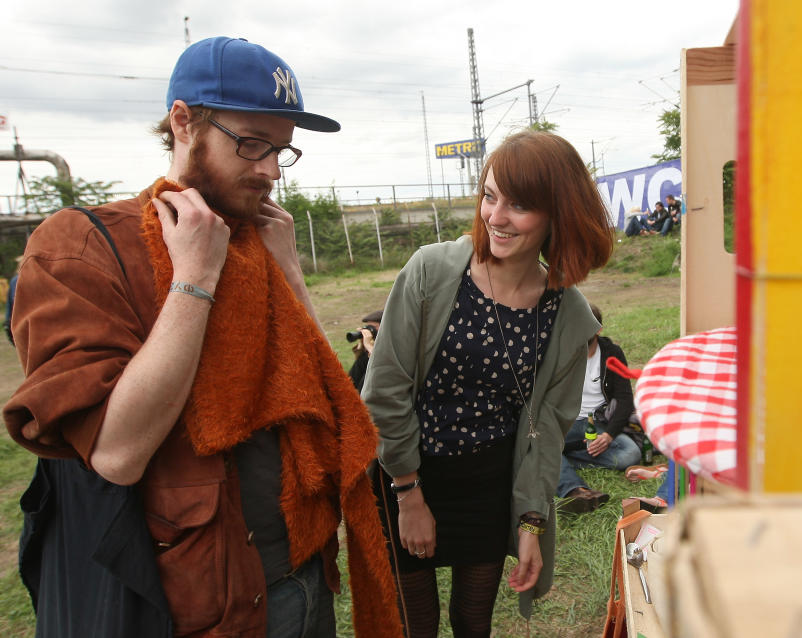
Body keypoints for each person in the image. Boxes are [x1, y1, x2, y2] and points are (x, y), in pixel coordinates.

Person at [3, 37, 401, 638]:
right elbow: (116, 452)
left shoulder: (259, 236)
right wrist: (192, 279)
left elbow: (325, 400)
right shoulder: (80, 248)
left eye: (282, 151)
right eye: (251, 144)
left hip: (307, 569)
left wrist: (291, 277)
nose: (269, 170)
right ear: (183, 122)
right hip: (199, 602)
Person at [362, 130, 614, 637]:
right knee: (418, 626)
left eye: (518, 204)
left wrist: (529, 522)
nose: (495, 217)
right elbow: (384, 393)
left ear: (557, 214)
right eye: (489, 196)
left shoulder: (566, 313)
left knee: (472, 621)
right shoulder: (432, 272)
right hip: (408, 475)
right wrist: (409, 495)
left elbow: (546, 432)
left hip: (489, 486)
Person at [555, 303, 641, 513]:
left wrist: (609, 436)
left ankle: (558, 458)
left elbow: (624, 399)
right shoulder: (559, 352)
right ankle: (576, 490)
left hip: (598, 422)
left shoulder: (611, 353)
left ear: (598, 329)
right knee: (538, 443)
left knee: (630, 454)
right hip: (566, 422)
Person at [348, 309, 382, 391]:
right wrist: (363, 345)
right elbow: (351, 380)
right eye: (368, 327)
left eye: (374, 327)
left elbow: (382, 363)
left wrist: (369, 345)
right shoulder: (368, 353)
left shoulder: (392, 346)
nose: (370, 331)